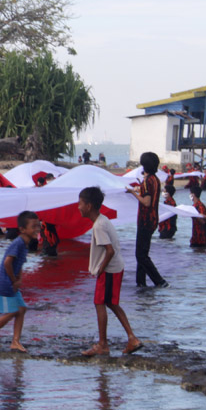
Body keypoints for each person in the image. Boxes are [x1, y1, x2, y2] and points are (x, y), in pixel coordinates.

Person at [79, 187, 143, 357]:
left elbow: (109, 250)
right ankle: (132, 338)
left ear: (89, 206)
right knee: (111, 303)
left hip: (109, 269)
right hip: (115, 268)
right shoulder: (102, 220)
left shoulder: (99, 225)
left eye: (80, 203)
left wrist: (100, 269)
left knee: (99, 303)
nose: (78, 207)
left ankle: (103, 344)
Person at [0, 211, 40, 352]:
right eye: (33, 226)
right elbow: (8, 262)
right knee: (12, 312)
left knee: (21, 309)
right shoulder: (18, 243)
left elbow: (18, 264)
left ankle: (15, 341)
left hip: (12, 282)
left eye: (38, 226)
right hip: (5, 282)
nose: (37, 229)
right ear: (22, 229)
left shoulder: (25, 244)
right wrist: (14, 280)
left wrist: (19, 278)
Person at [128, 151, 167, 288]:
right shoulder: (155, 180)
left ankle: (159, 281)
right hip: (153, 220)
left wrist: (133, 193)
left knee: (141, 255)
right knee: (142, 253)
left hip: (145, 220)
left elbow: (146, 202)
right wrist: (138, 191)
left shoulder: (146, 181)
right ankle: (140, 283)